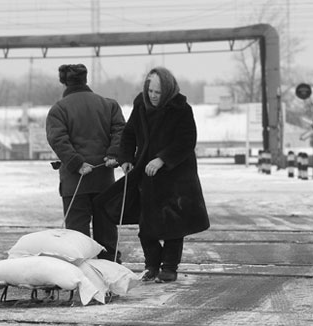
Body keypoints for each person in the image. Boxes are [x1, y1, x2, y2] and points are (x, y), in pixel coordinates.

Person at [95, 66, 210, 282]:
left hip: (176, 176)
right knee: (146, 224)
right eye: (150, 91)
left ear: (167, 90)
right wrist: (126, 158)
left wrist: (162, 159)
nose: (153, 96)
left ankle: (169, 267)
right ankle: (152, 265)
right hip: (145, 174)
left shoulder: (181, 109)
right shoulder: (141, 104)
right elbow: (129, 134)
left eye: (158, 92)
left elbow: (186, 141)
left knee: (174, 225)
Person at [46, 63, 126, 262]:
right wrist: (113, 154)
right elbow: (120, 130)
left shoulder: (58, 109)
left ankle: (83, 275)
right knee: (106, 232)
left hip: (75, 183)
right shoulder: (109, 105)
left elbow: (58, 139)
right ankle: (109, 272)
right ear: (85, 79)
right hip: (104, 180)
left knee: (78, 237)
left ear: (64, 82)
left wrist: (76, 163)